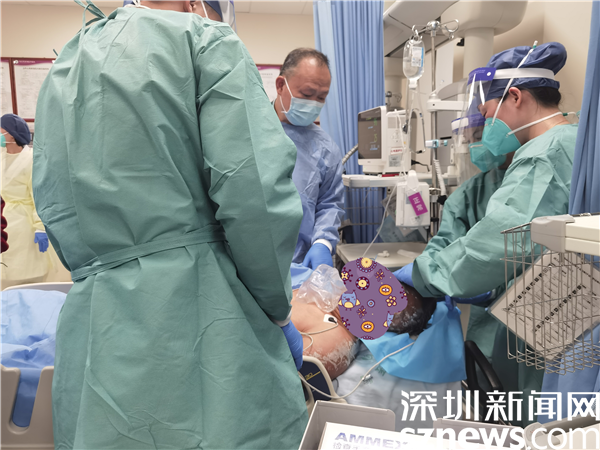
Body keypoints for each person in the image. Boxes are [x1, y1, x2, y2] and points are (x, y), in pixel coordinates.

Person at [33, 1, 308, 448]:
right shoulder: (203, 41)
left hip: (94, 323)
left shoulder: (65, 66)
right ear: (194, 4)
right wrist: (276, 309)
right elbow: (254, 197)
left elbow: (53, 200)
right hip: (200, 314)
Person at [394, 42, 577, 425]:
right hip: (557, 315)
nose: (484, 124)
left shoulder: (544, 155)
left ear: (515, 97)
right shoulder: (575, 145)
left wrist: (425, 274)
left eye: (488, 114)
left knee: (540, 424)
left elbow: (496, 245)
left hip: (552, 320)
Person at [274, 48, 345, 270]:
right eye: (306, 94)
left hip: (300, 265)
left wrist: (323, 242)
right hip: (244, 266)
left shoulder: (326, 149)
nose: (313, 103)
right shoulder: (247, 132)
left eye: (321, 97)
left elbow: (330, 203)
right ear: (280, 85)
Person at [1, 114, 53, 288]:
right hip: (4, 217)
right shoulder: (1, 157)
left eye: (1, 130)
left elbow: (39, 196)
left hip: (25, 222)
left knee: (26, 267)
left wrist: (40, 227)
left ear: (11, 134)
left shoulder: (31, 160)